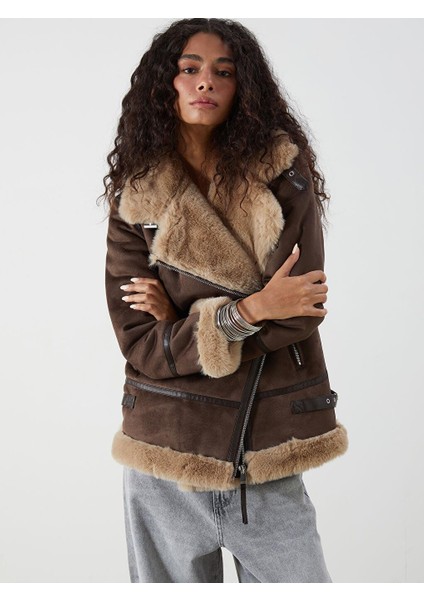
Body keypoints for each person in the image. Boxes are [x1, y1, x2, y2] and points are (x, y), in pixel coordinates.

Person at [99, 18, 349, 583]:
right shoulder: (136, 196)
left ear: (244, 87)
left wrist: (181, 321)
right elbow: (141, 343)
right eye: (189, 69)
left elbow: (300, 309)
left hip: (264, 453)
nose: (205, 82)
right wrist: (250, 309)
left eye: (224, 71)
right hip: (164, 452)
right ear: (165, 83)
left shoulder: (282, 173)